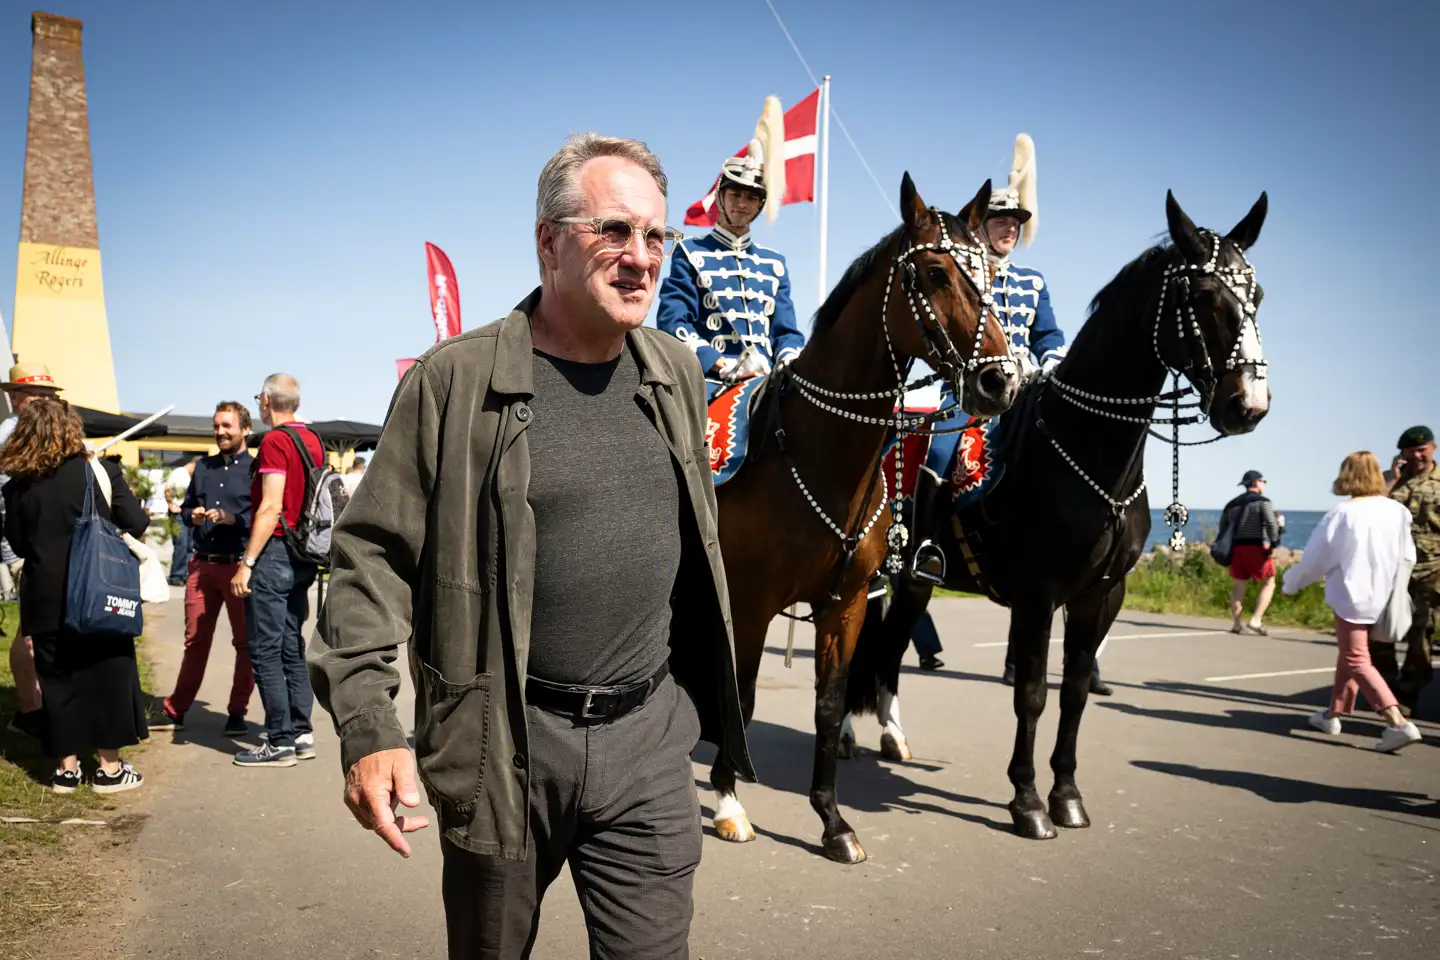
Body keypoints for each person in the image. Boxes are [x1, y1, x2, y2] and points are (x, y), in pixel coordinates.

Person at [309, 133, 753, 960]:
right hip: (503, 744)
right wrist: (369, 727)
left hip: (649, 740)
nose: (641, 258)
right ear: (549, 242)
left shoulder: (677, 372)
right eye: (613, 231)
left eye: (656, 236)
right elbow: (369, 560)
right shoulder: (453, 381)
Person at [0, 398, 150, 791]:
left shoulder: (17, 486)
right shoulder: (99, 472)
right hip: (98, 590)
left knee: (57, 682)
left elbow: (18, 542)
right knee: (108, 677)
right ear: (71, 430)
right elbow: (136, 521)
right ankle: (110, 770)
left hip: (44, 596)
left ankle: (66, 770)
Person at [1281, 452, 1421, 752]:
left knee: (1356, 658)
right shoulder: (1397, 511)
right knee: (1350, 654)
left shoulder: (1342, 514)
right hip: (1386, 595)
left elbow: (1315, 561)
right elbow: (1408, 555)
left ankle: (1398, 723)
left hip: (1353, 597)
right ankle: (1334, 714)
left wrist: (1291, 584)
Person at [656, 139, 804, 398]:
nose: (742, 203)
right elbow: (673, 321)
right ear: (720, 196)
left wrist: (787, 362)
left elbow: (786, 332)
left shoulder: (774, 263)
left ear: (760, 205)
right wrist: (720, 363)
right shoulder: (690, 252)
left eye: (751, 197)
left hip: (767, 382)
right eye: (735, 194)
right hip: (711, 382)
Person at [228, 374, 324, 768]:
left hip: (275, 552)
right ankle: (301, 733)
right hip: (304, 553)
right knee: (290, 644)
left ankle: (280, 741)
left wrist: (247, 563)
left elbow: (271, 507)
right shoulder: (313, 439)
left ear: (267, 401)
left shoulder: (274, 441)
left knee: (265, 649)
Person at [147, 403, 255, 737]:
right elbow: (187, 507)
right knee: (195, 641)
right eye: (216, 426)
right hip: (201, 565)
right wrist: (191, 515)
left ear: (245, 429)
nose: (220, 432)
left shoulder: (255, 469)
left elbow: (264, 516)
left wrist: (233, 519)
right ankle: (176, 709)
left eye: (227, 426)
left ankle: (237, 712)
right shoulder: (203, 466)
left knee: (245, 645)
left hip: (237, 567)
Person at [0, 362, 65, 739]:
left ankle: (36, 708)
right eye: (39, 395)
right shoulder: (11, 435)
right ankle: (29, 712)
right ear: (17, 397)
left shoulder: (36, 431)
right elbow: (4, 502)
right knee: (29, 633)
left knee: (36, 630)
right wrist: (14, 557)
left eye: (50, 395)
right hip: (26, 548)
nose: (46, 401)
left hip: (39, 546)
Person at [1378, 425, 1439, 716]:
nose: (1417, 456)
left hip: (1431, 570)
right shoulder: (1390, 481)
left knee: (1421, 632)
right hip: (1390, 570)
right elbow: (1369, 509)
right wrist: (1391, 479)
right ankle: (1384, 687)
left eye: (1422, 450)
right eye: (1410, 451)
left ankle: (1409, 690)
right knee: (1379, 632)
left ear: (1433, 449)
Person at [1220, 469, 1282, 635]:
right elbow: (1271, 524)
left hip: (1236, 549)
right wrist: (1274, 544)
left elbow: (1223, 527)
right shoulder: (1263, 502)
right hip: (1255, 547)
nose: (1264, 484)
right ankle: (1256, 620)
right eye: (1263, 481)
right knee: (1269, 582)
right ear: (1256, 482)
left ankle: (1236, 624)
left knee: (1239, 585)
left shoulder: (1231, 504)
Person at [164, 456, 199, 586]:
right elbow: (168, 488)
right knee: (181, 545)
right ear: (193, 465)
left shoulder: (190, 476)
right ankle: (176, 575)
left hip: (187, 513)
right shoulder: (179, 473)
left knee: (190, 546)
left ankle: (185, 574)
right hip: (177, 513)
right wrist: (170, 505)